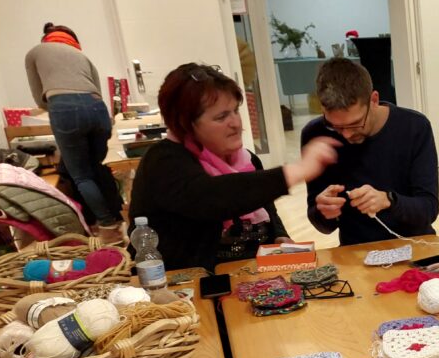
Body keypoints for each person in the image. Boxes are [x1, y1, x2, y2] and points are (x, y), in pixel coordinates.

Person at [128, 63, 337, 271]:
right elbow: (213, 197)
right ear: (186, 124)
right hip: (189, 286)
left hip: (254, 275)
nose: (236, 123)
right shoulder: (163, 162)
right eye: (221, 117)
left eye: (235, 110)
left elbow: (266, 209)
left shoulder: (246, 160)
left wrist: (279, 236)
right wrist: (295, 171)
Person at [303, 58, 439, 244]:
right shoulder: (315, 134)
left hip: (416, 244)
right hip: (355, 250)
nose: (346, 135)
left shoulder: (414, 127)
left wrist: (389, 201)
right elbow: (323, 226)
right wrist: (324, 211)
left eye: (355, 123)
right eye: (336, 126)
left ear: (374, 100)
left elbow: (429, 209)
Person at [25, 22, 125, 243]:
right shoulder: (81, 56)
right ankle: (119, 218)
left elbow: (38, 95)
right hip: (97, 108)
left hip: (64, 109)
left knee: (81, 176)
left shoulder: (35, 53)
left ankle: (107, 226)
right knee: (101, 166)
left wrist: (60, 107)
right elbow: (97, 89)